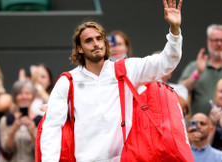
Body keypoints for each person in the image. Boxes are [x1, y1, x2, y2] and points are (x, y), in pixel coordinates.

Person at [40, 0, 183, 161]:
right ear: (79, 48)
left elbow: (166, 63)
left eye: (99, 38)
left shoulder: (125, 69)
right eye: (88, 40)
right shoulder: (67, 81)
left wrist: (175, 30)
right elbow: (51, 128)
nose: (96, 44)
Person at [0, 80, 42, 162]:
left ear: (33, 96)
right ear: (14, 97)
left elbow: (42, 151)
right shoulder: (5, 121)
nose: (24, 97)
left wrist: (32, 133)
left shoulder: (41, 121)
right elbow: (6, 151)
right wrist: (13, 129)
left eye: (27, 93)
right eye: (20, 94)